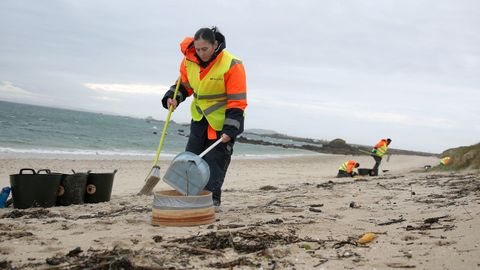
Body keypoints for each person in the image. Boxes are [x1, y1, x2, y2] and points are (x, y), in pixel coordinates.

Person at [161, 26, 247, 206]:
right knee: (191, 159)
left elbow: (237, 101)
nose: (200, 53)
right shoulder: (188, 60)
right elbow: (184, 85)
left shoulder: (232, 64)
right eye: (198, 49)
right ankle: (187, 197)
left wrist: (231, 129)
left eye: (204, 49)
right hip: (200, 120)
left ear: (215, 44)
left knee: (215, 163)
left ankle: (211, 202)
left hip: (222, 123)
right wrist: (173, 97)